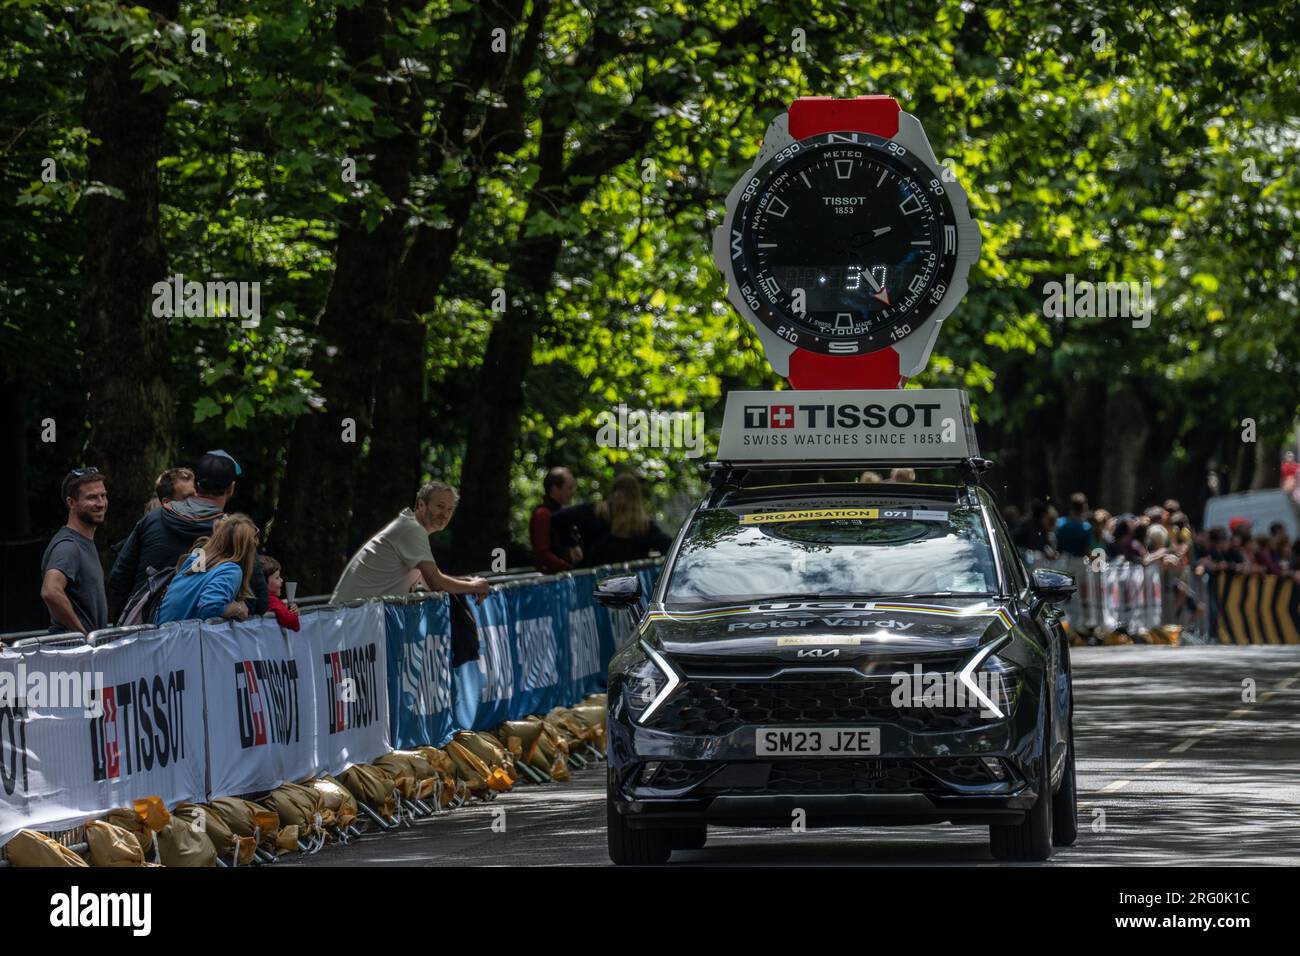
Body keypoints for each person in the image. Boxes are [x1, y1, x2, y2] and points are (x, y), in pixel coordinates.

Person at [106, 450, 268, 622]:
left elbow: (119, 578)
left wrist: (119, 629)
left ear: (196, 486)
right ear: (231, 488)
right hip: (202, 642)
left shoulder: (154, 518)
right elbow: (258, 597)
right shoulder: (235, 533)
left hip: (143, 633)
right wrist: (240, 608)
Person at [331, 481, 490, 603]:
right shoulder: (412, 530)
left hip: (354, 620)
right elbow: (436, 583)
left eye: (449, 509)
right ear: (421, 504)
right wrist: (475, 586)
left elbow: (429, 582)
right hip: (349, 623)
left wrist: (468, 582)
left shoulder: (409, 526)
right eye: (440, 506)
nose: (445, 514)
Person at [40, 468, 110, 635]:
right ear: (71, 502)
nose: (101, 503)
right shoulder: (68, 546)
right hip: (74, 654)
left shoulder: (83, 542)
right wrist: (84, 636)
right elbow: (50, 591)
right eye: (92, 497)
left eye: (103, 495)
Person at [156, 514, 258, 624]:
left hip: (162, 634)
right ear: (247, 551)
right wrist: (238, 608)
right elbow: (210, 607)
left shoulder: (195, 560)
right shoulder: (230, 570)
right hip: (182, 638)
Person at [554, 473, 672, 567]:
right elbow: (669, 547)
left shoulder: (595, 512)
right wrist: (573, 546)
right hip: (628, 586)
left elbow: (559, 518)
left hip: (594, 584)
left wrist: (572, 545)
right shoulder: (642, 525)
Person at [530, 467, 581, 573]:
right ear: (554, 489)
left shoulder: (562, 512)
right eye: (569, 488)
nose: (573, 492)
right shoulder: (543, 514)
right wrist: (568, 568)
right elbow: (542, 554)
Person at [259, 554, 300, 631]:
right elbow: (293, 623)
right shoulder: (271, 600)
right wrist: (293, 614)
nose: (281, 580)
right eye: (277, 578)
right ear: (263, 582)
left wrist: (287, 608)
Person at [1055, 492, 1092, 557]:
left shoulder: (1059, 523)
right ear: (1084, 507)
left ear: (1070, 506)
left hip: (1061, 563)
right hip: (1080, 564)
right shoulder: (1086, 527)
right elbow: (1087, 550)